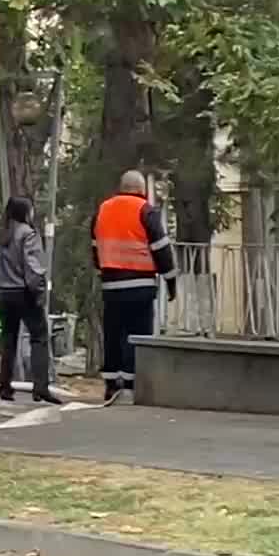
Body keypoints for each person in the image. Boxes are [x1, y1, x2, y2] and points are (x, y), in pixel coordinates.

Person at [92, 170, 177, 404]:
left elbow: (95, 246)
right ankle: (129, 386)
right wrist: (171, 281)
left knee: (113, 334)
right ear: (141, 190)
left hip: (111, 286)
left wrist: (104, 273)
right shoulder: (145, 211)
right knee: (137, 335)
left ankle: (111, 385)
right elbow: (161, 249)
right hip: (140, 286)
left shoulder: (103, 209)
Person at [0, 195, 59, 405]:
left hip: (4, 292)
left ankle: (5, 387)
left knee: (8, 339)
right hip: (24, 293)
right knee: (39, 337)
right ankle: (40, 388)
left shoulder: (0, 235)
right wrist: (38, 292)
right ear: (25, 212)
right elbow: (33, 267)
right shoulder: (28, 234)